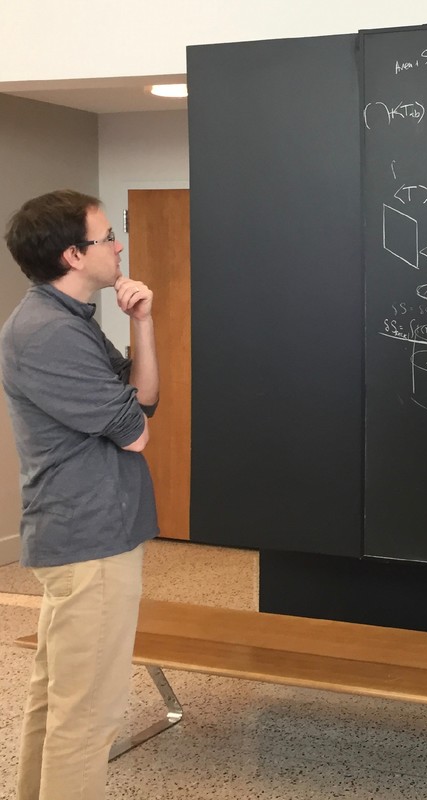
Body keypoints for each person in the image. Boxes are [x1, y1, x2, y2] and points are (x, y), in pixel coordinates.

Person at [1, 189, 160, 800]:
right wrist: (133, 415)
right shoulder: (49, 334)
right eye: (107, 237)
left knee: (58, 701)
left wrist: (142, 323)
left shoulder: (70, 320)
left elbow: (145, 400)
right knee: (87, 718)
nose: (118, 246)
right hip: (89, 541)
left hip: (85, 536)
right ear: (73, 254)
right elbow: (136, 432)